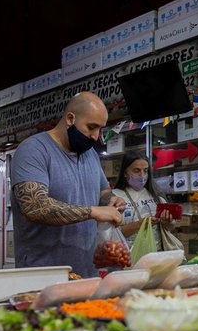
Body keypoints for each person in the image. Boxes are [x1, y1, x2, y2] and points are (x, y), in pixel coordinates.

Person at [10, 91, 124, 278]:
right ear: (70, 118)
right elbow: (35, 207)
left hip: (87, 272)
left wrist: (112, 201)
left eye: (100, 129)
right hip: (42, 275)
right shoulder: (33, 150)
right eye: (91, 127)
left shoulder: (90, 155)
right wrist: (93, 211)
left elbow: (103, 191)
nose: (96, 136)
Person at [112, 151, 176, 250]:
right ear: (125, 173)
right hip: (129, 257)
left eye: (145, 171)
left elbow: (170, 228)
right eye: (136, 171)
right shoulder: (115, 197)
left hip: (157, 255)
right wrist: (140, 224)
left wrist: (168, 222)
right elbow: (112, 234)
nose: (142, 175)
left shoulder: (156, 195)